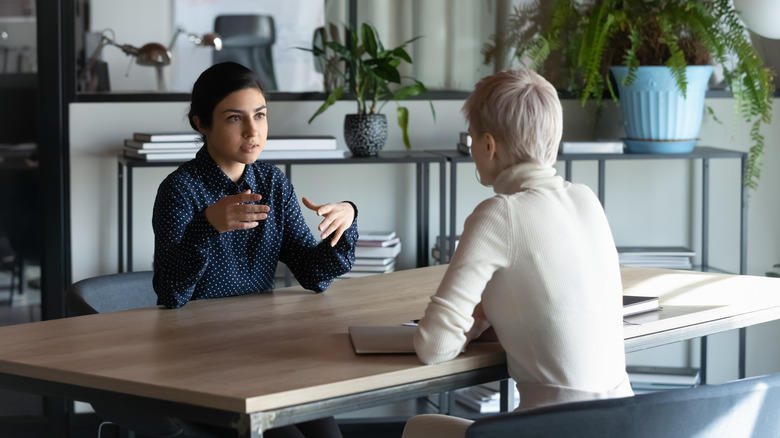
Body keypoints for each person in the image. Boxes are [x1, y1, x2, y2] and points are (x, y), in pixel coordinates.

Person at [401, 69, 633, 438]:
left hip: (554, 430)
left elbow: (434, 346)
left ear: (489, 145)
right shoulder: (586, 199)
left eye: (472, 139)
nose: (473, 148)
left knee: (419, 428)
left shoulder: (499, 213)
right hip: (626, 422)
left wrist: (477, 317)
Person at [150, 61, 355, 438]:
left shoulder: (272, 182)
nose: (252, 131)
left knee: (329, 434)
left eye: (260, 115)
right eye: (234, 119)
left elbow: (311, 273)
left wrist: (346, 220)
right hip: (199, 360)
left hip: (264, 348)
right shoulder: (179, 190)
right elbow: (170, 293)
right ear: (201, 124)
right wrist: (205, 226)